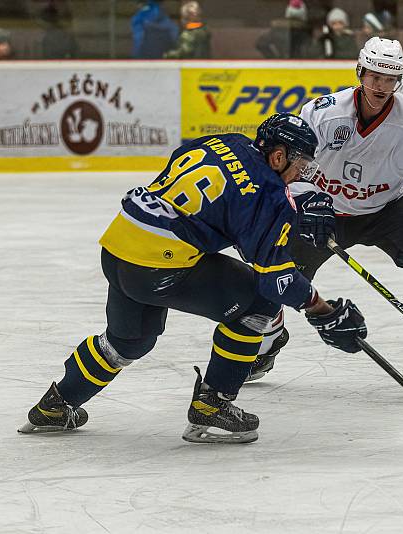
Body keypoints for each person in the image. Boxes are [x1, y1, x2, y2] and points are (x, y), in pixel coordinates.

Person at [18, 113, 368, 443]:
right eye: (301, 165)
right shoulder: (267, 193)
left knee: (129, 341)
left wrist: (286, 214)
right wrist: (321, 310)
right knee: (258, 304)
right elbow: (275, 278)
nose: (301, 173)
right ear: (277, 157)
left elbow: (214, 191)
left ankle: (56, 404)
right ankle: (211, 404)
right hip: (159, 266)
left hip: (118, 246)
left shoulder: (222, 141)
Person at [247, 37, 403, 393]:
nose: (381, 86)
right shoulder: (324, 113)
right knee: (275, 276)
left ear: (399, 81)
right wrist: (305, 201)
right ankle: (267, 344)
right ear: (360, 73)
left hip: (388, 209)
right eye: (374, 76)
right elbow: (290, 164)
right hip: (325, 209)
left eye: (390, 78)